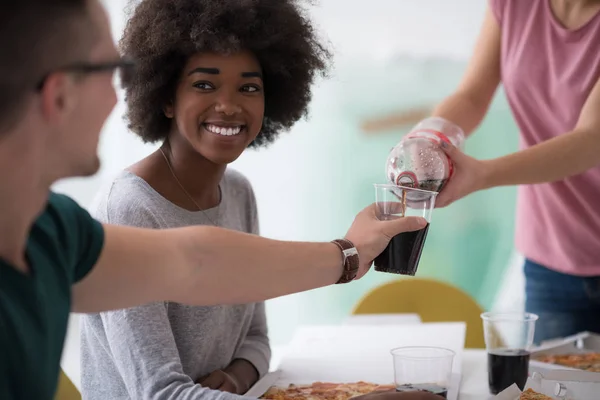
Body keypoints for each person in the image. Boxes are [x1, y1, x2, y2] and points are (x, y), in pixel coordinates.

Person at [0, 1, 440, 399]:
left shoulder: (53, 229)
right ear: (59, 95)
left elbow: (195, 262)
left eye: (248, 88)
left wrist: (349, 253)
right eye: (108, 68)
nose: (119, 92)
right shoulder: (117, 208)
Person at [80, 0, 324, 397]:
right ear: (166, 97)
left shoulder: (239, 192)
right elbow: (162, 393)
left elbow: (257, 339)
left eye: (249, 87)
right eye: (204, 85)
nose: (228, 106)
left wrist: (236, 378)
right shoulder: (128, 210)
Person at [363, 0, 600, 343]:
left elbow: (590, 140)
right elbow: (472, 95)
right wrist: (430, 136)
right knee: (554, 392)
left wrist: (482, 174)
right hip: (552, 255)